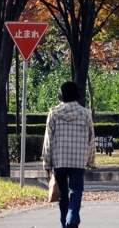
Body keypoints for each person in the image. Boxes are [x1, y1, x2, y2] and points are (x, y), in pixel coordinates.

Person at [42, 81, 96, 228]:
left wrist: (47, 163)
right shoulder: (85, 113)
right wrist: (90, 160)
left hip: (59, 159)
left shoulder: (54, 113)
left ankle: (64, 224)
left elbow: (48, 140)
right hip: (78, 160)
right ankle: (72, 218)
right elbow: (91, 138)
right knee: (76, 190)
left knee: (62, 193)